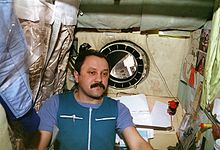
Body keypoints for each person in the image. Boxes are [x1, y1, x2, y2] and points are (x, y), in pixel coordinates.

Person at [37, 47, 153, 150]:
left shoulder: (117, 109)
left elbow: (138, 144)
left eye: (104, 74)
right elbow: (38, 145)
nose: (99, 79)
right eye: (92, 72)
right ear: (77, 76)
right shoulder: (55, 104)